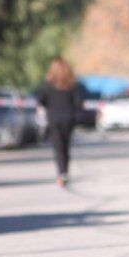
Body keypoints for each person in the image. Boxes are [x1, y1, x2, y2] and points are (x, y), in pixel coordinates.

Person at [37, 57, 82, 187]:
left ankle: (61, 173)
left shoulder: (48, 85)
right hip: (68, 119)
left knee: (58, 148)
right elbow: (78, 103)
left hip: (54, 120)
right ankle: (65, 172)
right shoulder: (72, 85)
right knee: (66, 147)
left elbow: (40, 100)